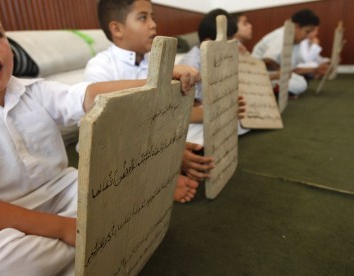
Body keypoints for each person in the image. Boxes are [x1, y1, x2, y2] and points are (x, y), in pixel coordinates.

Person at [0, 0, 199, 275]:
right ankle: (100, 239)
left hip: (65, 193)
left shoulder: (38, 91)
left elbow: (89, 95)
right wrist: (63, 229)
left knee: (123, 185)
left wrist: (157, 80)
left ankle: (92, 241)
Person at [84, 0, 215, 203]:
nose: (153, 24)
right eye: (143, 17)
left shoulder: (155, 60)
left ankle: (170, 162)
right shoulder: (100, 68)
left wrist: (175, 142)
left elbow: (168, 111)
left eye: (153, 17)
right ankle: (160, 177)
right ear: (117, 29)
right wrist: (173, 151)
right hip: (117, 143)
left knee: (199, 131)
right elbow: (111, 129)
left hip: (153, 133)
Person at [179, 8, 248, 141]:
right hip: (198, 112)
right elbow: (190, 106)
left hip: (213, 107)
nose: (231, 45)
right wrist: (222, 108)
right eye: (227, 40)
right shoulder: (191, 63)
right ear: (208, 42)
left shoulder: (220, 56)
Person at [252, 9, 328, 97]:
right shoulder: (281, 36)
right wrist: (283, 72)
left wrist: (315, 70)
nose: (307, 36)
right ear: (296, 26)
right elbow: (267, 61)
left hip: (275, 73)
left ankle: (277, 89)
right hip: (259, 73)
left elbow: (293, 69)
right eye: (307, 31)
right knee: (300, 83)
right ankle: (272, 89)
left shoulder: (295, 40)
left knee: (301, 81)